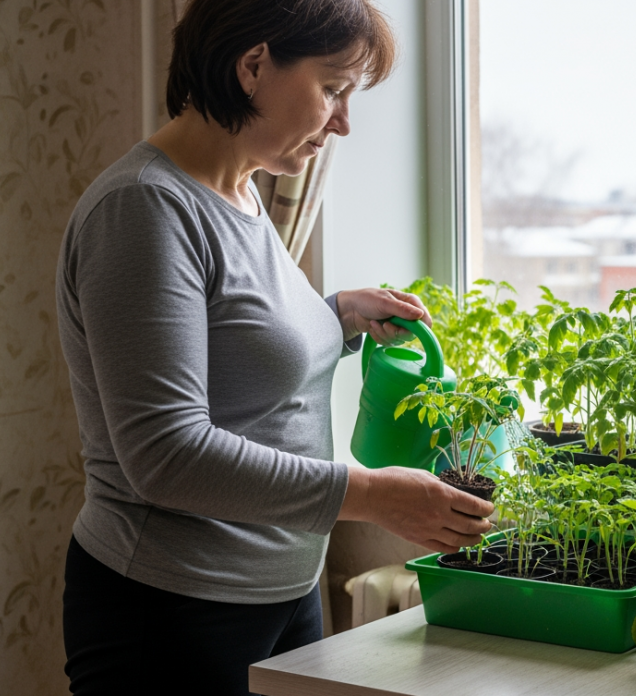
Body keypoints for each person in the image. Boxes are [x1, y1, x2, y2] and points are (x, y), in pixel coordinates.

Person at [55, 1, 492, 693]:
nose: (343, 122)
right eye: (332, 89)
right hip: (172, 610)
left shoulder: (243, 196)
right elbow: (165, 456)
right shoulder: (143, 209)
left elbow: (234, 350)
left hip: (279, 592)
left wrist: (338, 316)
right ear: (253, 65)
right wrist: (372, 495)